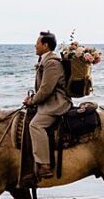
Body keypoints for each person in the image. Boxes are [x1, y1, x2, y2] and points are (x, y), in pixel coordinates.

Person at [24, 30, 71, 180]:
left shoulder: (51, 63)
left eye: (37, 43)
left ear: (45, 45)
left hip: (56, 104)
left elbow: (46, 90)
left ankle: (44, 165)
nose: (35, 46)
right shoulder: (46, 60)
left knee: (35, 125)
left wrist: (32, 101)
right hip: (49, 102)